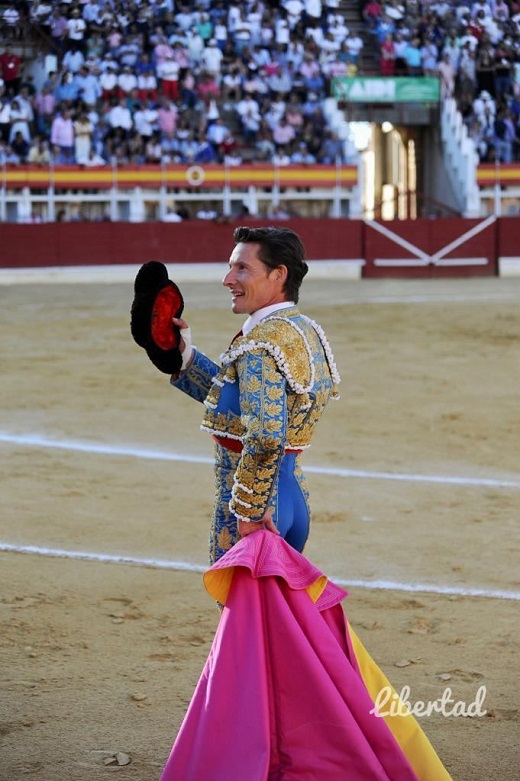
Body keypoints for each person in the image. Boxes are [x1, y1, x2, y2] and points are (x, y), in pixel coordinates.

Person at [169, 226, 340, 563]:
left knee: (244, 614)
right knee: (279, 612)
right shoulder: (303, 329)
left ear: (278, 275)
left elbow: (263, 435)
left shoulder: (260, 344)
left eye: (242, 268)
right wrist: (186, 357)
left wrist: (248, 509)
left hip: (259, 508)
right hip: (292, 498)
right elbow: (248, 402)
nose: (228, 278)